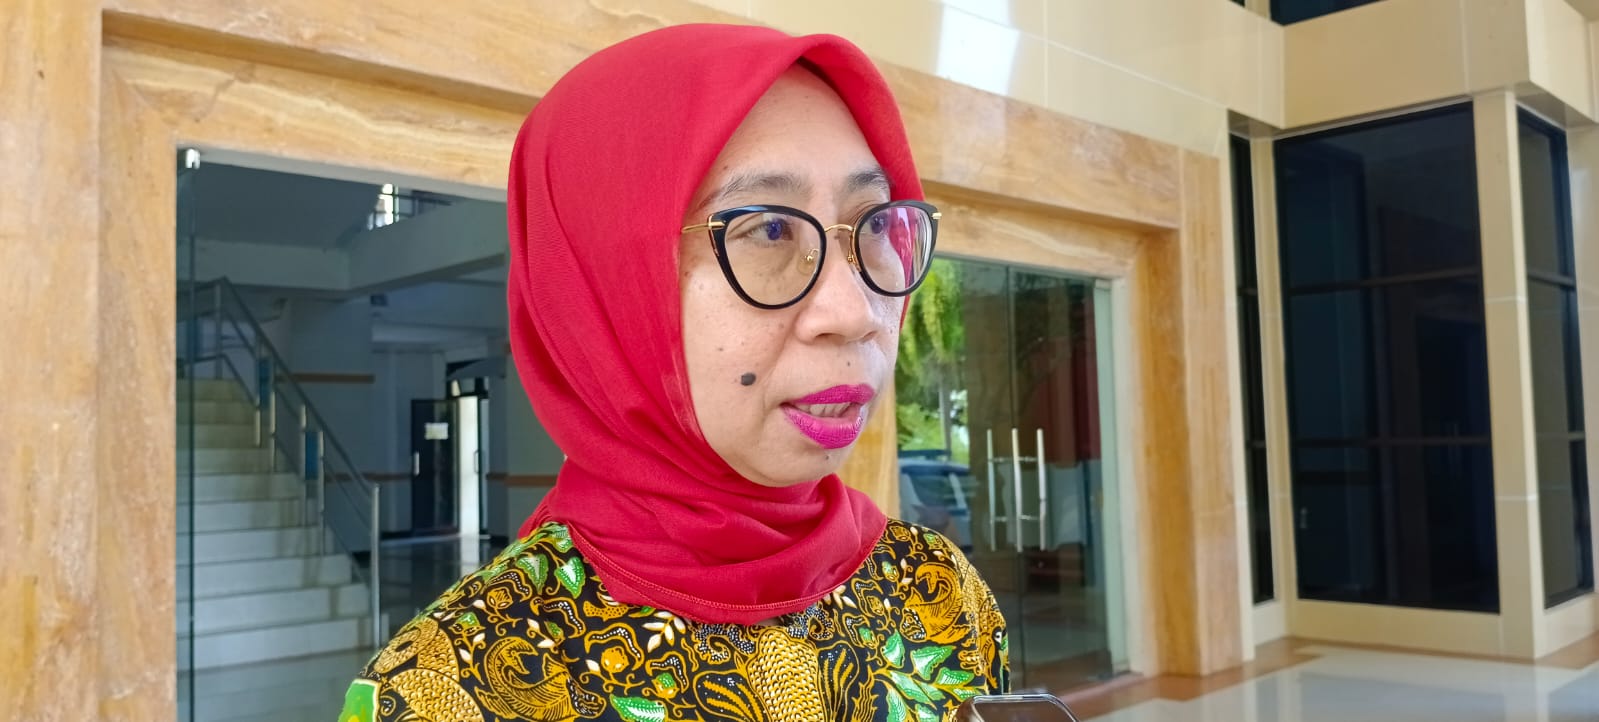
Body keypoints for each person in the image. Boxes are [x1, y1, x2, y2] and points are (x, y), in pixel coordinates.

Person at [339, 23, 1008, 722]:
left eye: (873, 225)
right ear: (605, 289)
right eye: (769, 230)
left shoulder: (936, 591)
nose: (855, 311)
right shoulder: (452, 687)